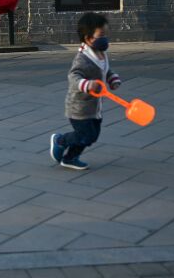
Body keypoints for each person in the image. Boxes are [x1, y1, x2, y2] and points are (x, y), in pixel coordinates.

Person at [50, 12, 121, 170]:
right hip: (79, 107)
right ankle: (61, 141)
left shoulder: (101, 53)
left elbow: (104, 70)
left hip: (95, 106)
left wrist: (112, 78)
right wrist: (87, 85)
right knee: (85, 135)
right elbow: (73, 76)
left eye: (105, 34)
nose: (105, 38)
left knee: (92, 136)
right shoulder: (82, 58)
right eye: (101, 35)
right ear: (88, 38)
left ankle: (70, 157)